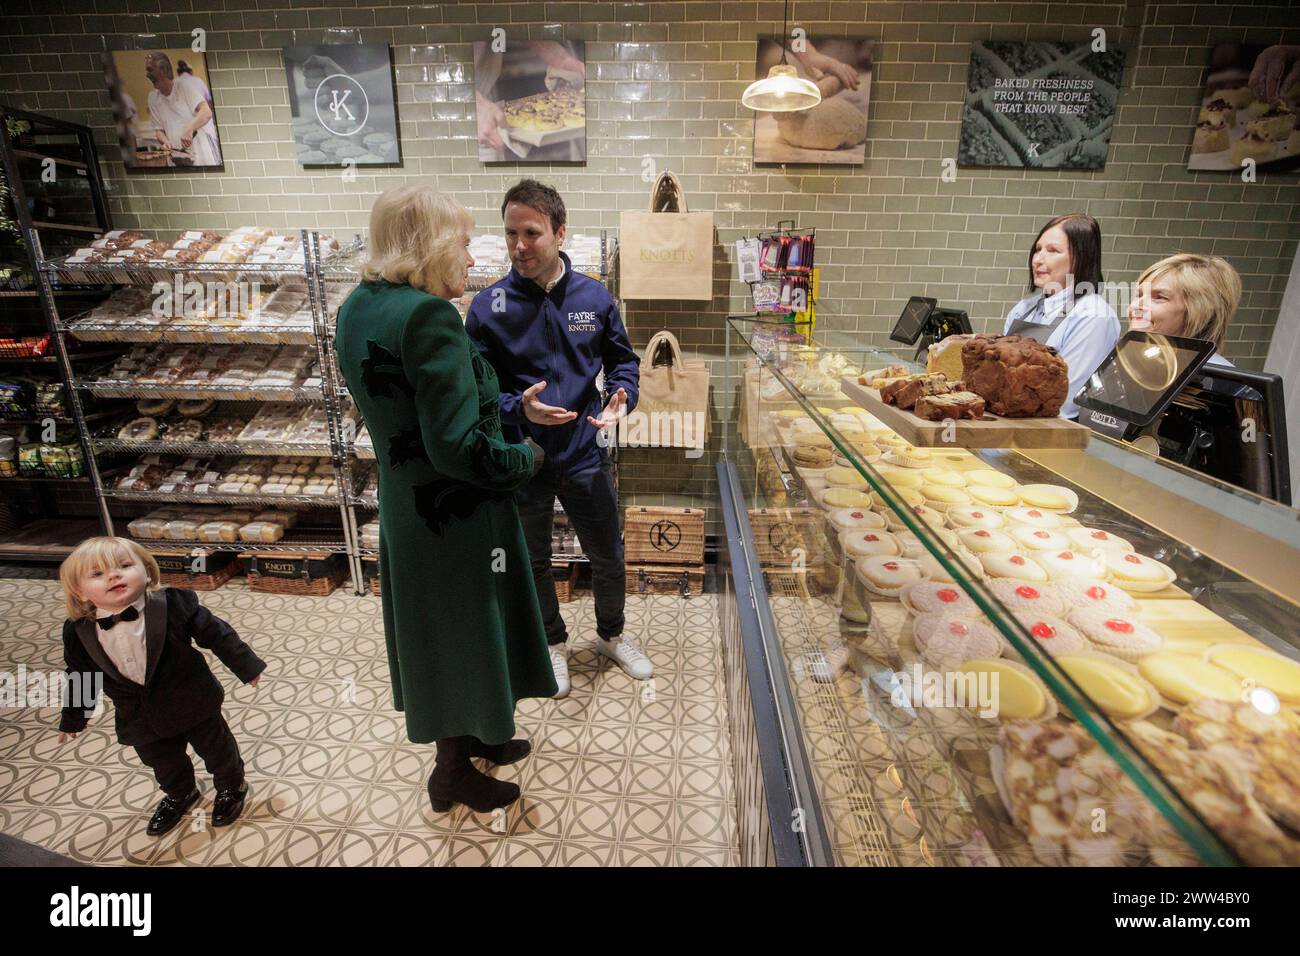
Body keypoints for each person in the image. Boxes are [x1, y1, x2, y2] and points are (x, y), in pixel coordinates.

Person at [335, 185, 555, 814]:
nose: (471, 253)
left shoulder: (359, 306)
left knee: (445, 630)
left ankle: (483, 732)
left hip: (410, 508)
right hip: (457, 513)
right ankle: (452, 773)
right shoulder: (428, 317)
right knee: (465, 631)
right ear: (429, 244)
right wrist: (525, 458)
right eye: (462, 240)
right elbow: (456, 446)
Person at [465, 179, 645, 700]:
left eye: (531, 233)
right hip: (524, 457)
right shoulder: (487, 307)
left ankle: (611, 634)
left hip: (584, 451)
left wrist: (621, 398)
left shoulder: (593, 295)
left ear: (560, 233)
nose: (519, 246)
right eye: (510, 234)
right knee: (534, 558)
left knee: (608, 553)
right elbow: (476, 392)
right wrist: (516, 407)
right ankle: (552, 644)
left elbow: (623, 361)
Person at [56, 537, 264, 837]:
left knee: (217, 749)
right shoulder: (77, 631)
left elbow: (217, 635)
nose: (114, 575)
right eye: (97, 574)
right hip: (139, 716)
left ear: (146, 569)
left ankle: (231, 786)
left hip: (193, 701)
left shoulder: (175, 603)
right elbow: (80, 673)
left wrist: (246, 666)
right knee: (162, 761)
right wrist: (74, 717)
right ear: (79, 590)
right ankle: (181, 793)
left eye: (125, 566)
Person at [1002, 213, 1120, 418]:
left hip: (1047, 434)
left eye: (1053, 251)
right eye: (1038, 249)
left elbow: (1064, 401)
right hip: (1006, 420)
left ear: (1081, 258)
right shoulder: (1024, 308)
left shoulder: (1094, 316)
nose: (1038, 259)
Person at [1126, 253, 1242, 366]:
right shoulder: (1130, 360)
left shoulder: (1219, 379)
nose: (1136, 305)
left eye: (1160, 297)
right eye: (1139, 295)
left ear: (1200, 311)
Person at [144, 52, 221, 166]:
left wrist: (189, 129)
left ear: (163, 69)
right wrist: (165, 142)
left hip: (199, 151)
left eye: (150, 70)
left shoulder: (183, 87)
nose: (147, 75)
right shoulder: (153, 98)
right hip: (176, 155)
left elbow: (206, 112)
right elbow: (159, 130)